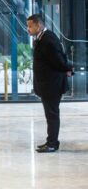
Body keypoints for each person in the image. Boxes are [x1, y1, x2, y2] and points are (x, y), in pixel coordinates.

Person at [27, 14, 73, 153]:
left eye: (30, 26)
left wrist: (68, 68)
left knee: (52, 114)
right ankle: (51, 141)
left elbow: (58, 60)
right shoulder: (42, 38)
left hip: (52, 85)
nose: (28, 29)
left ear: (38, 25)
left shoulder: (49, 39)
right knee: (50, 114)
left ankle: (52, 144)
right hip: (47, 85)